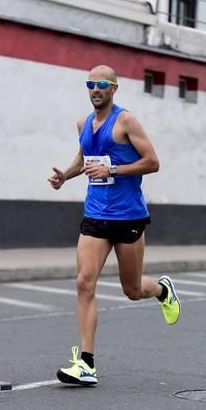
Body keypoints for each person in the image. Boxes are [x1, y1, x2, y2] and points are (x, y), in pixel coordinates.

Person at [47, 65, 180, 386]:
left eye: (102, 85)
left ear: (114, 89)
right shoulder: (83, 123)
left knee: (132, 290)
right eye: (91, 84)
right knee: (83, 283)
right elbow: (84, 159)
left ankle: (162, 290)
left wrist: (115, 171)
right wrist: (65, 175)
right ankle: (86, 363)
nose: (95, 89)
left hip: (128, 216)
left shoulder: (125, 122)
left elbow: (153, 162)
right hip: (95, 215)